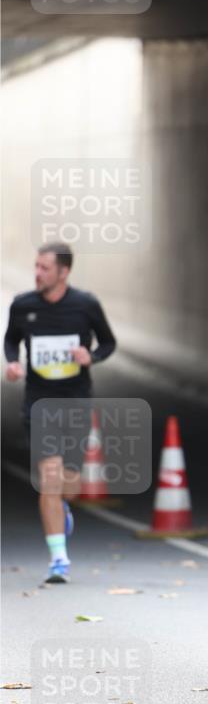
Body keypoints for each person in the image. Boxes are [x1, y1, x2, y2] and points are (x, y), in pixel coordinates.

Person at [4, 242, 117, 584]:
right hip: (39, 404)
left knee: (69, 485)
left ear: (64, 272)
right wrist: (11, 361)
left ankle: (64, 511)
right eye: (36, 266)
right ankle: (59, 559)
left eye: (44, 268)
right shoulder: (23, 305)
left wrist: (91, 357)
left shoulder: (85, 305)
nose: (37, 273)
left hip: (77, 401)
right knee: (49, 480)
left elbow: (108, 342)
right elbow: (11, 340)